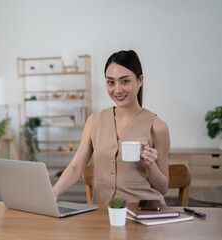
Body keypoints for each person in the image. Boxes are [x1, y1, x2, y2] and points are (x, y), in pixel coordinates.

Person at [52, 50, 170, 205]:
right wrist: (53, 193)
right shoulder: (94, 121)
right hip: (102, 214)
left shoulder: (158, 126)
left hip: (143, 215)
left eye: (125, 81)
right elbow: (76, 167)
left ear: (140, 80)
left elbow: (163, 188)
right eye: (111, 82)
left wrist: (150, 166)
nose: (117, 90)